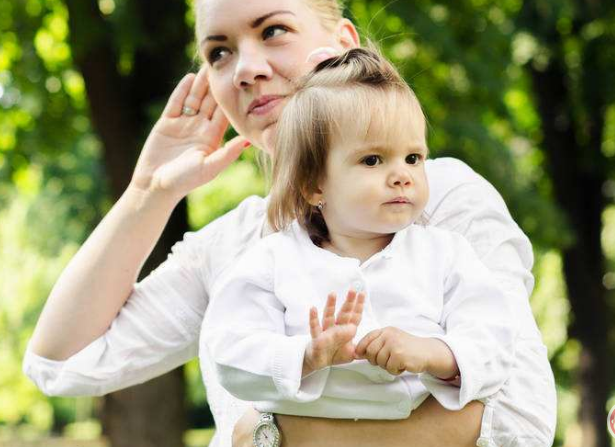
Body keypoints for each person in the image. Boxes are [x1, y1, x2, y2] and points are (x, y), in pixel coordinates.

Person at [23, 0, 557, 447]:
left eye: (273, 30)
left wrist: (267, 435)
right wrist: (146, 195)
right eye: (219, 53)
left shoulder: (435, 198)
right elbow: (62, 363)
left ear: (345, 47)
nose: (247, 69)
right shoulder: (231, 247)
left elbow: (520, 415)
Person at [203, 48, 516, 426]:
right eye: (372, 160)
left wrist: (433, 353)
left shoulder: (444, 254)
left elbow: (495, 342)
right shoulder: (273, 260)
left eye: (413, 158)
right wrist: (306, 356)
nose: (402, 174)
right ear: (314, 184)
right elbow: (230, 354)